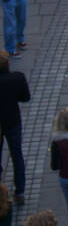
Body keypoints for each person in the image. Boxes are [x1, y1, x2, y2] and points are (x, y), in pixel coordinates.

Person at [0, 48, 30, 201]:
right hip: (13, 120)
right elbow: (25, 98)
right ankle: (20, 191)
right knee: (16, 155)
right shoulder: (18, 78)